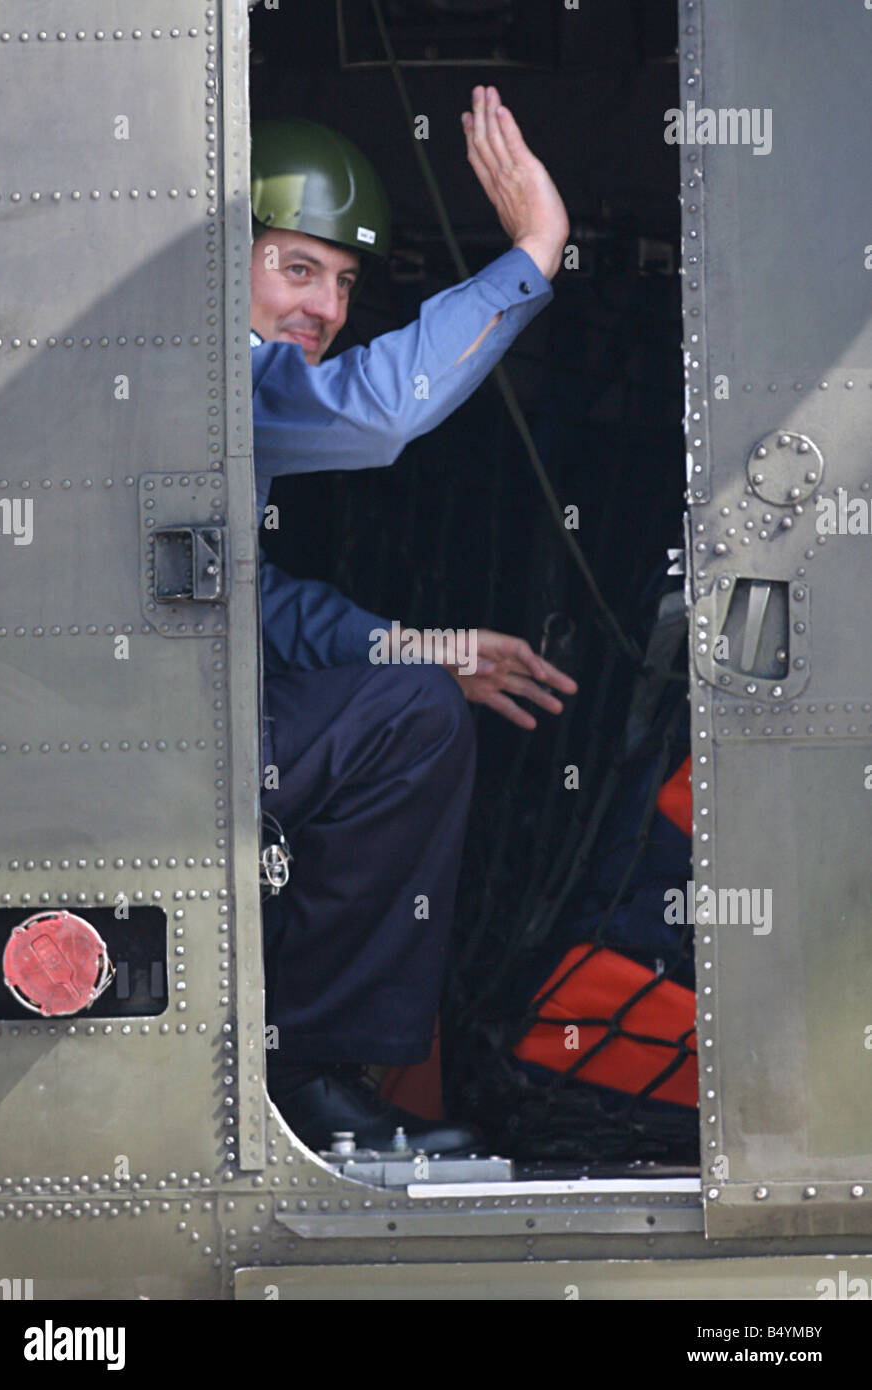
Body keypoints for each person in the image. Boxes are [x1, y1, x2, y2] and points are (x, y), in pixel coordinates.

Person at [251, 86, 576, 1153]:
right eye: (297, 269)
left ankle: (309, 1075)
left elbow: (252, 602)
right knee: (409, 713)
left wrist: (422, 646)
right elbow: (378, 410)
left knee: (412, 703)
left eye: (342, 283)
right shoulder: (204, 367)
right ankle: (306, 1077)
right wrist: (535, 248)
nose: (326, 310)